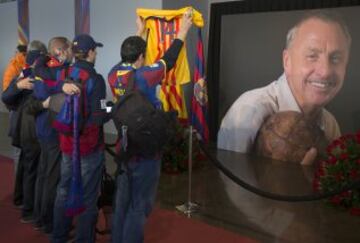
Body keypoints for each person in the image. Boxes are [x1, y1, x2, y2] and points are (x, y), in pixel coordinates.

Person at [217, 10, 351, 166]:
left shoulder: (330, 124)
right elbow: (229, 187)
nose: (325, 71)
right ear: (287, 61)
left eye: (336, 58)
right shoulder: (249, 111)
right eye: (312, 56)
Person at [108, 10, 193, 243]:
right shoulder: (146, 76)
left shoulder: (113, 75)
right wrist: (183, 31)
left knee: (122, 204)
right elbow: (170, 58)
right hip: (145, 153)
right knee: (139, 207)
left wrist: (140, 31)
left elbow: (130, 57)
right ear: (141, 58)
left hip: (123, 150)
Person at [50, 34, 109, 243]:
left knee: (63, 189)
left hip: (66, 144)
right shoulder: (95, 79)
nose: (96, 53)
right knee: (88, 197)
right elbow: (100, 114)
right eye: (95, 50)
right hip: (88, 147)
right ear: (91, 52)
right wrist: (113, 106)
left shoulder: (64, 72)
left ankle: (59, 235)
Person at [2, 40, 48, 222]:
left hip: (24, 129)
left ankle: (21, 200)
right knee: (30, 170)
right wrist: (18, 86)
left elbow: (7, 98)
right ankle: (28, 209)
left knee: (25, 166)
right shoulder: (26, 74)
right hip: (29, 131)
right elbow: (6, 97)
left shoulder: (24, 71)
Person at [30, 36, 73, 234]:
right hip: (51, 129)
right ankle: (48, 221)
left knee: (43, 173)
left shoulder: (42, 68)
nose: (71, 52)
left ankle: (39, 217)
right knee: (52, 177)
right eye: (68, 49)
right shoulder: (55, 73)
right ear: (60, 51)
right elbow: (56, 86)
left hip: (41, 128)